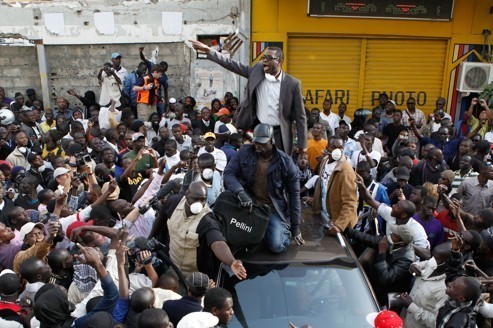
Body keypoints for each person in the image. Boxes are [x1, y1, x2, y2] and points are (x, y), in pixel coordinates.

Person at [190, 40, 307, 155]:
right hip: (259, 130)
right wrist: (209, 50)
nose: (264, 60)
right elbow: (232, 64)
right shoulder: (257, 71)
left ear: (279, 62)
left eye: (269, 58)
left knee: (281, 168)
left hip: (280, 133)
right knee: (258, 167)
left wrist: (303, 145)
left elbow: (301, 117)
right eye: (264, 57)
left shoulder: (293, 84)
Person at [223, 124, 304, 252]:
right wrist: (240, 192)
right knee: (232, 240)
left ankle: (282, 231)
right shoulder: (244, 152)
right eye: (256, 142)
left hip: (271, 209)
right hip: (248, 206)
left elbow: (294, 195)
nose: (257, 146)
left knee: (276, 246)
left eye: (262, 143)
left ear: (272, 141)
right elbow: (229, 173)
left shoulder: (286, 162)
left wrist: (295, 228)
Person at [152, 180, 246, 278]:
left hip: (192, 276)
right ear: (187, 195)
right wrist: (150, 238)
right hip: (171, 265)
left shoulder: (207, 221)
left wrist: (232, 261)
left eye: (203, 200)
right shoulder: (173, 202)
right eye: (195, 199)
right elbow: (160, 219)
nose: (199, 204)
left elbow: (217, 243)